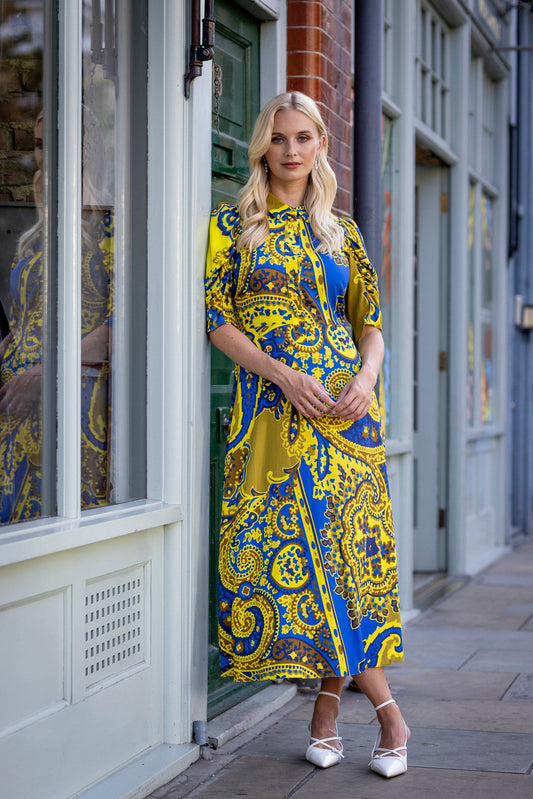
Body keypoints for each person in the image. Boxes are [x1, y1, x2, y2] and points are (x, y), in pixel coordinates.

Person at [205, 91, 409, 778]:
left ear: (321, 145)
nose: (291, 150)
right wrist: (279, 373)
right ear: (262, 146)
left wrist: (369, 377)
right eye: (279, 138)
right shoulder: (231, 227)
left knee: (346, 559)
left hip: (349, 417)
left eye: (304, 137)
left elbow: (371, 321)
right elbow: (214, 320)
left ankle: (326, 712)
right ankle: (387, 713)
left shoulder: (340, 231)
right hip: (270, 414)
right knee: (302, 558)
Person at [0, 111, 113, 524]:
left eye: (62, 140)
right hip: (13, 401)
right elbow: (22, 324)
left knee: (55, 520)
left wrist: (46, 374)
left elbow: (124, 329)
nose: (48, 153)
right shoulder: (35, 235)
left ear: (90, 147)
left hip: (73, 401)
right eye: (41, 143)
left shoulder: (109, 224)